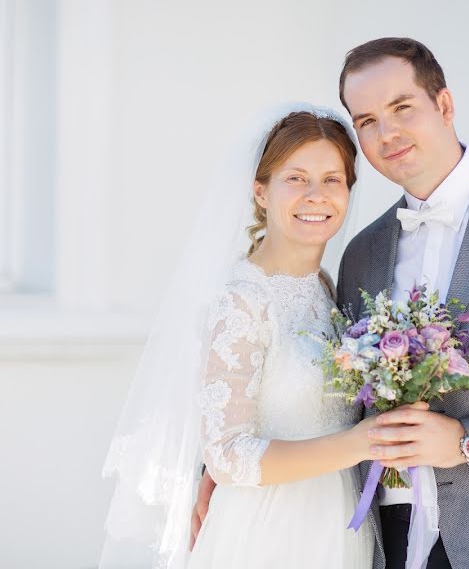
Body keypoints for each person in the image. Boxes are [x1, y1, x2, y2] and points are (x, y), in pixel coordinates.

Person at [194, 38, 469, 569]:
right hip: (379, 543)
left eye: (401, 108)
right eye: (367, 120)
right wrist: (220, 467)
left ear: (444, 106)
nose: (387, 133)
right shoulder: (362, 254)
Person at [100, 107, 424, 569]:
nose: (316, 195)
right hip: (269, 532)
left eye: (332, 180)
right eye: (296, 178)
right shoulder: (242, 301)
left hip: (338, 525)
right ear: (260, 192)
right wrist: (360, 443)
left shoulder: (329, 290)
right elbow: (228, 455)